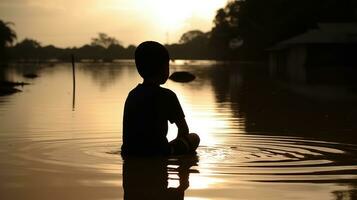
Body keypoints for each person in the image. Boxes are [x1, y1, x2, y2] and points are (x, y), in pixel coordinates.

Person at [121, 41, 200, 156]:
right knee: (194, 138)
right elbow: (183, 129)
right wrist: (175, 151)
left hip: (130, 153)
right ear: (164, 68)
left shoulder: (132, 95)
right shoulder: (168, 96)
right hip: (158, 153)